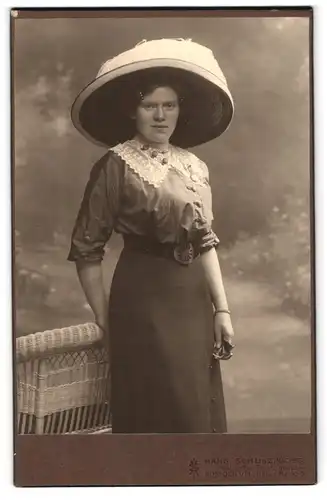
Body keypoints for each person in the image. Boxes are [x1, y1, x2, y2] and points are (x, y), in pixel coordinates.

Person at [68, 38, 235, 434]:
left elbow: (205, 241)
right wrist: (104, 317)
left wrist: (223, 310)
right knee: (158, 410)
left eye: (169, 105)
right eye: (150, 106)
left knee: (196, 411)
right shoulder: (115, 165)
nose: (160, 116)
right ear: (133, 111)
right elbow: (87, 250)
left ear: (180, 110)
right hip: (142, 301)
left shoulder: (195, 165)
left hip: (193, 302)